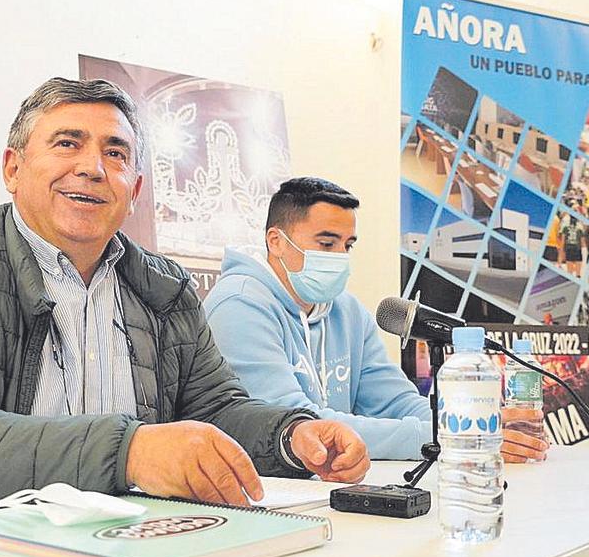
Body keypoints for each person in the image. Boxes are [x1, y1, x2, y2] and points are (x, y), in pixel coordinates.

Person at [0, 80, 368, 557]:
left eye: (115, 153)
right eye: (66, 143)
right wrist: (129, 452)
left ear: (135, 188)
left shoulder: (166, 288)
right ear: (12, 169)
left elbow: (214, 409)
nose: (92, 167)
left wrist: (291, 436)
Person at [204, 177, 549, 462]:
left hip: (332, 486)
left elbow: (395, 402)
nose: (340, 257)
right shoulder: (239, 306)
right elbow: (296, 424)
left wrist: (473, 427)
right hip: (269, 498)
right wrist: (446, 437)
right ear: (276, 242)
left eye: (347, 245)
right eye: (326, 244)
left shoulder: (347, 310)